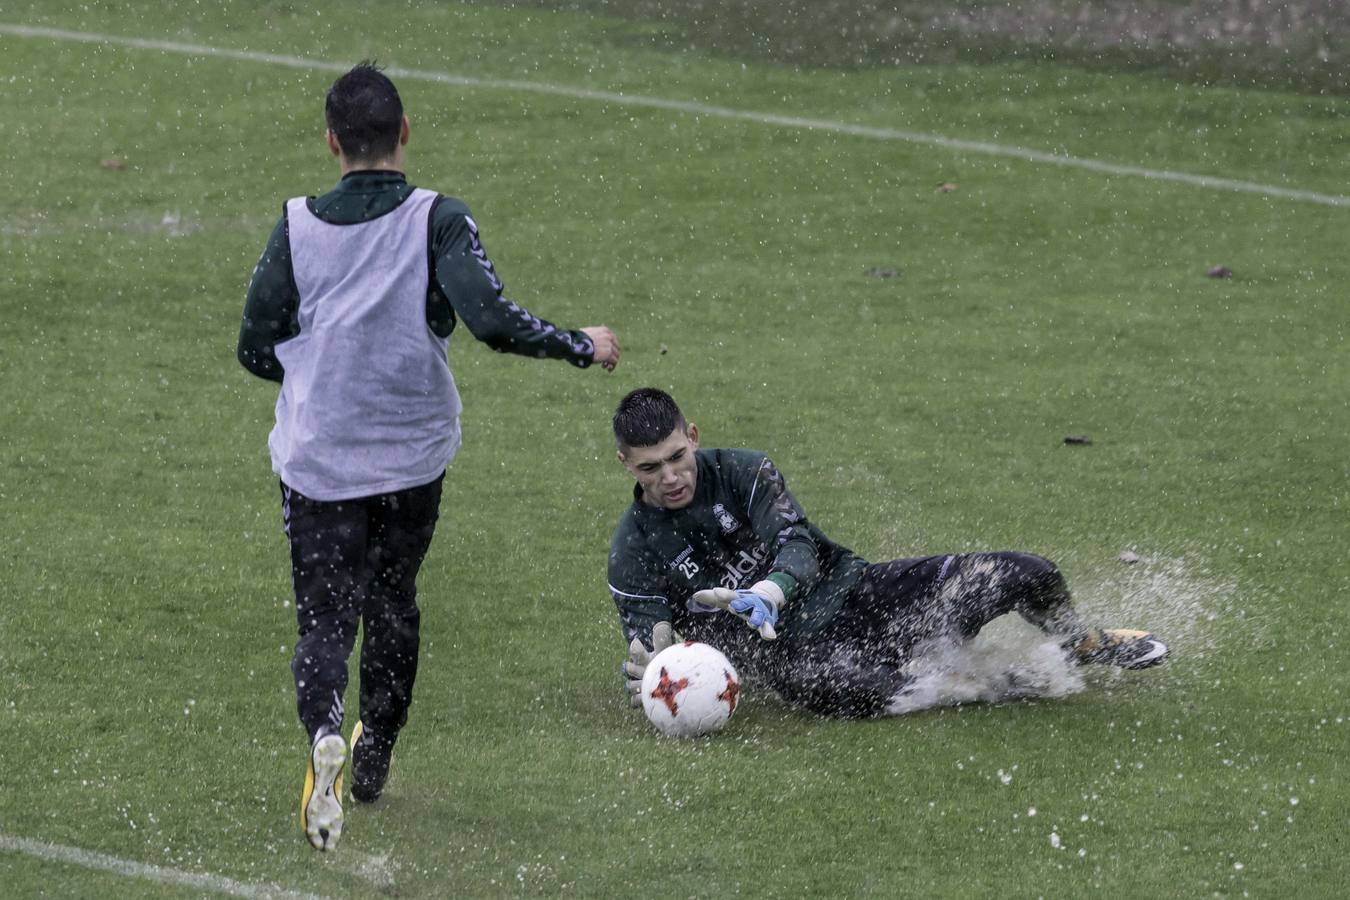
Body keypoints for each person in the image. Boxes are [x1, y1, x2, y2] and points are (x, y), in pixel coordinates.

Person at [237, 62, 620, 852]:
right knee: (393, 598)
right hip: (411, 457)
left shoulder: (295, 223)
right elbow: (492, 320)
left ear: (332, 141)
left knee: (323, 618)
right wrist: (581, 344)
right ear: (404, 133)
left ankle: (323, 732)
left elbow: (254, 345)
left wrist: (318, 373)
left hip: (319, 459)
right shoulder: (437, 218)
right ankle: (375, 752)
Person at [607, 388, 1167, 721]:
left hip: (858, 593)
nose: (671, 476)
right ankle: (994, 681)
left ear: (694, 436)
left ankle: (1082, 642)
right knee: (830, 691)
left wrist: (767, 592)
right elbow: (651, 641)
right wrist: (649, 667)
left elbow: (795, 542)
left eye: (677, 456)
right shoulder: (631, 550)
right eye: (651, 466)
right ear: (626, 465)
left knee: (1026, 573)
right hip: (795, 659)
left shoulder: (746, 469)